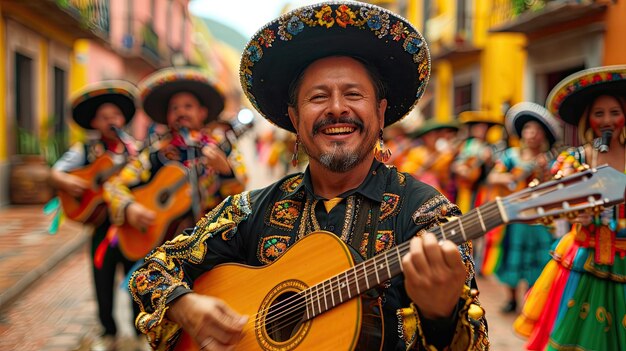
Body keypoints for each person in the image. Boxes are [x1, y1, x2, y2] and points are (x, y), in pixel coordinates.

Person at [129, 3, 488, 351]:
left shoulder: (427, 215)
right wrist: (186, 305)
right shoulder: (252, 209)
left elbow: (474, 341)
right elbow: (151, 270)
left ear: (380, 113)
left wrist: (441, 317)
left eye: (353, 94)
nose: (336, 108)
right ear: (295, 119)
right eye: (318, 97)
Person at [513, 65, 626, 350]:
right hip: (582, 256)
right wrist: (576, 212)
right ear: (589, 118)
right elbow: (553, 208)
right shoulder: (576, 158)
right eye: (599, 113)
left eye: (614, 112)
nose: (607, 120)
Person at [103, 67, 247, 257]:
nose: (181, 112)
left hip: (214, 246)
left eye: (188, 106)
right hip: (164, 249)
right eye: (174, 108)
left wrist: (226, 171)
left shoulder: (223, 146)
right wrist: (130, 208)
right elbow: (114, 185)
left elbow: (242, 194)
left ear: (203, 112)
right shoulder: (156, 152)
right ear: (167, 117)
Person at [50, 80, 146, 351]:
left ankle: (141, 331)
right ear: (94, 122)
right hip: (101, 227)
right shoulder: (84, 151)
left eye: (114, 115)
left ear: (123, 119)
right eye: (104, 117)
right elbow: (55, 172)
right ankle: (108, 331)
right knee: (101, 280)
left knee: (137, 278)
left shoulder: (136, 151)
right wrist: (68, 183)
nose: (110, 120)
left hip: (130, 226)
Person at [485, 102, 562, 314]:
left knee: (538, 257)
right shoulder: (510, 156)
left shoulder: (550, 160)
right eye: (528, 129)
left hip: (538, 216)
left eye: (536, 131)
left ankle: (532, 298)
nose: (531, 134)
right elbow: (492, 177)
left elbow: (555, 187)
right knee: (512, 255)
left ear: (544, 135)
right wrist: (511, 177)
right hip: (514, 214)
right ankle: (511, 299)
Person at [399, 119, 459, 200]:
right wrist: (431, 160)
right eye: (432, 135)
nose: (435, 138)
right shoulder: (416, 152)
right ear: (425, 137)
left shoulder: (444, 154)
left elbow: (446, 177)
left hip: (439, 195)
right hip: (420, 196)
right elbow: (407, 173)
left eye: (437, 135)